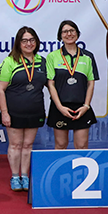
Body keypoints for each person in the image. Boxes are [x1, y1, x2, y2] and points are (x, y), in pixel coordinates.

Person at [0, 26, 47, 192]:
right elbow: (0, 89)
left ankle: (25, 176)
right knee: (16, 145)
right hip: (14, 111)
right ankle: (15, 176)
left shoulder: (43, 61)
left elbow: (51, 85)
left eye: (32, 40)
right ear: (18, 43)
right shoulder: (10, 61)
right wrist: (4, 112)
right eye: (24, 40)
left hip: (35, 110)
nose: (28, 43)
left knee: (28, 145)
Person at [46, 20, 98, 150]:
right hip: (60, 107)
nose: (69, 34)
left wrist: (86, 106)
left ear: (77, 34)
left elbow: (91, 83)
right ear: (60, 36)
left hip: (81, 107)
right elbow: (50, 84)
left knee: (81, 146)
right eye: (65, 31)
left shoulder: (88, 56)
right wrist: (60, 107)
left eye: (72, 31)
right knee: (61, 145)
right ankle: (59, 171)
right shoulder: (52, 56)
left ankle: (81, 171)